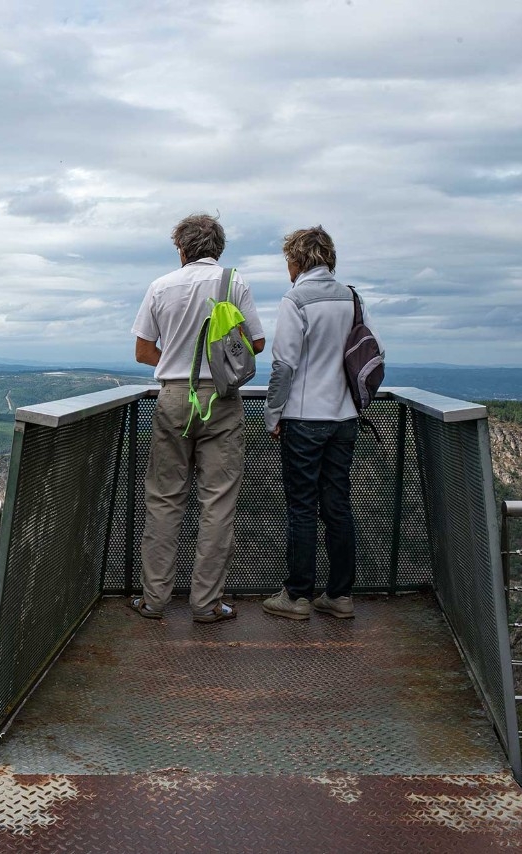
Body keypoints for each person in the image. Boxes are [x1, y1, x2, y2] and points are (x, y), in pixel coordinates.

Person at [130, 213, 265, 623]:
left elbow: (142, 350)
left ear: (182, 249)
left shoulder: (160, 286)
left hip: (173, 397)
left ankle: (154, 600)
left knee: (164, 500)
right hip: (222, 399)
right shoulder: (234, 283)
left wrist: (178, 361)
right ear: (218, 249)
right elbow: (256, 342)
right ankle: (206, 604)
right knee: (217, 503)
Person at [262, 226, 384, 621]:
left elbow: (284, 363)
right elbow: (370, 349)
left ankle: (297, 596)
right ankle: (339, 595)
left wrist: (272, 413)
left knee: (301, 507)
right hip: (345, 416)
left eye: (288, 261)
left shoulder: (296, 299)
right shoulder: (352, 298)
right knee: (337, 505)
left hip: (303, 417)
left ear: (296, 261)